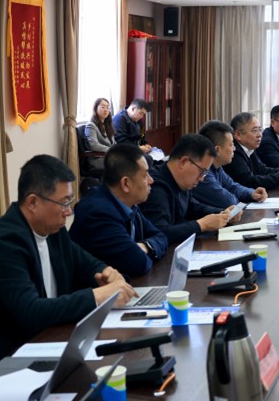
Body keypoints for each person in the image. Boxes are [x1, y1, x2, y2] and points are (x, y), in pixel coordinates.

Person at [0, 155, 137, 365]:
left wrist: (107, 272)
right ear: (33, 202)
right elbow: (32, 312)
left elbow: (85, 262)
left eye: (70, 201)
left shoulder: (52, 230)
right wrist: (97, 296)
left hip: (45, 340)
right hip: (0, 358)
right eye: (64, 202)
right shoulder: (5, 243)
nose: (69, 211)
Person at [70, 143, 169, 280]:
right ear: (126, 183)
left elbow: (161, 236)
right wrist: (146, 249)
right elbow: (139, 264)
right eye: (145, 175)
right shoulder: (98, 213)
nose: (151, 181)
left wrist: (146, 246)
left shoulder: (128, 203)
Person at [141, 133, 237, 245]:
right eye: (202, 171)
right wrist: (202, 225)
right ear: (184, 162)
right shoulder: (155, 187)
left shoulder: (180, 181)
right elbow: (160, 233)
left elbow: (192, 207)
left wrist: (221, 214)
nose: (202, 178)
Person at [194, 120, 268, 209]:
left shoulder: (217, 167)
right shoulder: (203, 173)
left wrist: (251, 193)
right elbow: (228, 202)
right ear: (217, 150)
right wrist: (239, 197)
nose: (234, 148)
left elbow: (233, 187)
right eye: (231, 144)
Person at [224, 112, 279, 190]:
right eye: (255, 130)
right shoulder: (233, 153)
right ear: (238, 135)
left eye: (260, 130)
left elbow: (262, 170)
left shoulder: (249, 149)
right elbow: (250, 182)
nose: (259, 135)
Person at [82, 98, 115, 170]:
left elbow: (113, 142)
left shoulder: (107, 125)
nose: (106, 110)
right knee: (123, 164)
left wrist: (119, 149)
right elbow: (94, 146)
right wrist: (112, 150)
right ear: (95, 108)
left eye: (107, 107)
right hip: (97, 158)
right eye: (103, 107)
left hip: (108, 156)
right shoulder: (91, 125)